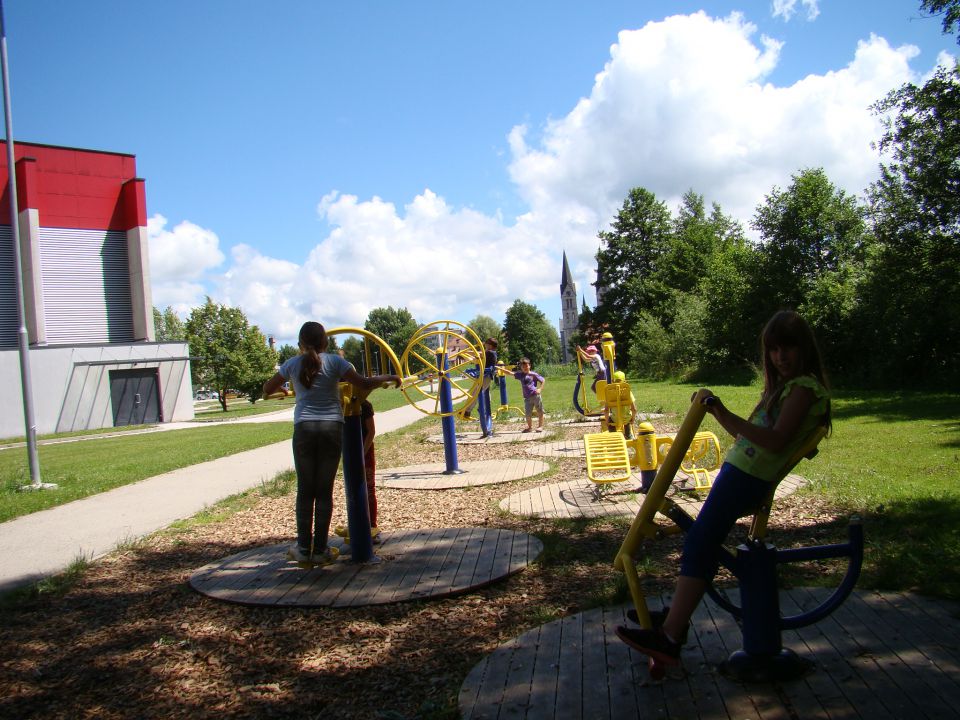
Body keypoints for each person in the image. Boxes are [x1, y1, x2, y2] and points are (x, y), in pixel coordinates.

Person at [615, 310, 831, 666]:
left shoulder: (803, 390)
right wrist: (719, 414)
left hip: (748, 478)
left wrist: (722, 411)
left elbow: (775, 442)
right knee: (702, 540)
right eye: (774, 350)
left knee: (702, 540)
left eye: (788, 347)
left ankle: (670, 633)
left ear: (804, 347)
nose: (781, 356)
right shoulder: (786, 389)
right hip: (741, 474)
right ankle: (674, 622)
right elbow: (748, 435)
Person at [262, 321, 400, 568]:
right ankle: (322, 549)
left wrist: (283, 390)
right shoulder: (336, 363)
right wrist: (388, 377)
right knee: (324, 490)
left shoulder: (292, 364)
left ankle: (304, 549)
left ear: (301, 343)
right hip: (332, 428)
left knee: (306, 489)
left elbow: (266, 390)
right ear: (326, 341)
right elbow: (364, 383)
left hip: (304, 428)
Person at [463, 337, 499, 438]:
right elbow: (478, 357)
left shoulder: (490, 352)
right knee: (481, 393)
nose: (484, 345)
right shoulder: (491, 353)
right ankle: (480, 409)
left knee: (475, 393)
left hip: (485, 376)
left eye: (486, 343)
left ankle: (467, 411)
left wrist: (465, 352)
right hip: (486, 376)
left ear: (490, 345)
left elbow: (478, 354)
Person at [360, 398, 380, 541]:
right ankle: (358, 524)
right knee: (354, 490)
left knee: (369, 490)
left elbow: (371, 431)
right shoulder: (338, 405)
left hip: (365, 453)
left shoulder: (364, 405)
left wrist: (362, 453)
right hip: (352, 452)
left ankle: (372, 526)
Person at [512, 358, 545, 432]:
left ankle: (540, 426)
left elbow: (543, 380)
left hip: (535, 396)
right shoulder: (520, 375)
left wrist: (540, 389)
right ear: (521, 368)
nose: (525, 368)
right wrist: (500, 368)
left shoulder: (533, 374)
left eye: (526, 366)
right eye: (523, 367)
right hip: (527, 398)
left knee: (540, 411)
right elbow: (510, 373)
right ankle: (530, 427)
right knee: (527, 414)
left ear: (529, 366)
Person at [606, 370, 637, 437]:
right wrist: (633, 419)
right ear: (625, 382)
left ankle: (613, 436)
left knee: (610, 422)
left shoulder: (609, 393)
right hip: (626, 419)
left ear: (612, 381)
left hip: (615, 418)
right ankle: (628, 436)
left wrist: (607, 421)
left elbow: (606, 410)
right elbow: (634, 409)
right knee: (627, 420)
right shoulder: (629, 393)